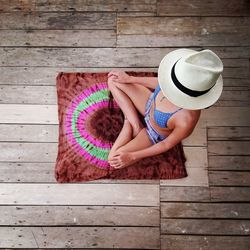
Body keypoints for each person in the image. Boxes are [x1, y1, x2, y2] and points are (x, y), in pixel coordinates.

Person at [107, 48, 223, 169]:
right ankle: (135, 124)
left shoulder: (187, 120)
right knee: (113, 80)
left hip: (152, 133)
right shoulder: (181, 75)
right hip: (149, 102)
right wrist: (130, 79)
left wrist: (133, 156)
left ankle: (128, 120)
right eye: (171, 84)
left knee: (113, 159)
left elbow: (166, 144)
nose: (169, 87)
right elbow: (159, 83)